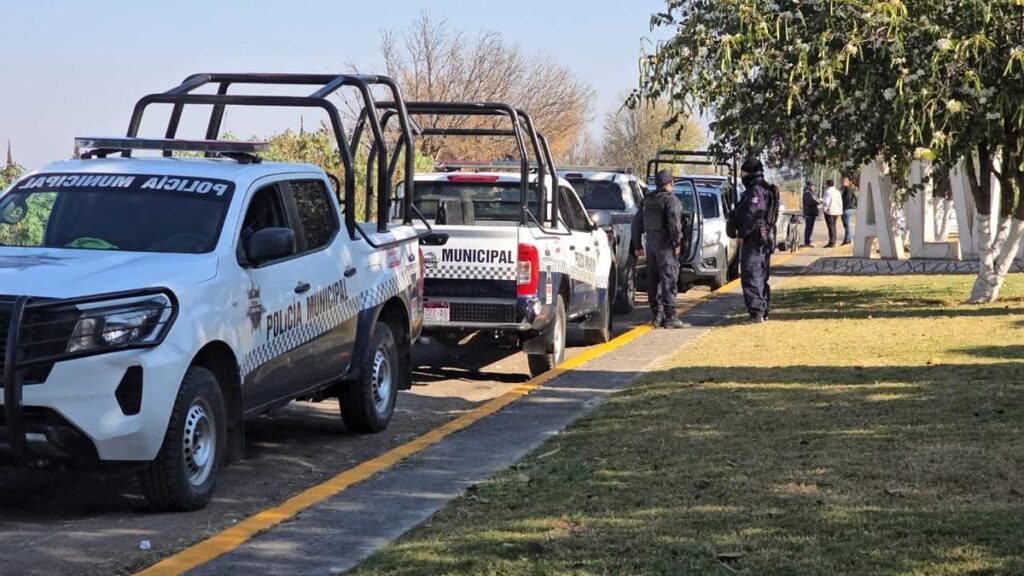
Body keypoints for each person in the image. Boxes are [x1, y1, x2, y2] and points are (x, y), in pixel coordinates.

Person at [632, 169, 685, 329]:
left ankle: (656, 315)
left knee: (653, 281)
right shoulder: (671, 201)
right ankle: (670, 317)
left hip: (651, 246)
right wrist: (677, 243)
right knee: (669, 280)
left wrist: (637, 245)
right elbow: (675, 224)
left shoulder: (647, 200)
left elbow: (636, 223)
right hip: (666, 247)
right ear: (670, 183)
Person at [734, 157, 778, 323]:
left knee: (752, 274)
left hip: (755, 240)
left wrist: (742, 234)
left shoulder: (756, 191)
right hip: (761, 239)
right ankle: (761, 310)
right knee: (759, 275)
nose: (741, 176)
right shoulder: (763, 188)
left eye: (743, 172)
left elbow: (753, 215)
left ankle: (757, 312)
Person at [820, 179, 843, 248]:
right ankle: (833, 241)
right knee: (834, 227)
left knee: (831, 228)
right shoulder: (837, 192)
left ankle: (831, 243)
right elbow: (840, 202)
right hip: (837, 211)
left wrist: (821, 200)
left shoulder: (828, 192)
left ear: (827, 185)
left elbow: (826, 202)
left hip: (830, 212)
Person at [801, 180, 819, 246]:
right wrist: (818, 202)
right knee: (809, 228)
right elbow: (812, 201)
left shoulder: (810, 192)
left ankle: (808, 240)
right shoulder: (807, 193)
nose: (813, 187)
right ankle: (807, 241)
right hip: (809, 212)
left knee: (810, 228)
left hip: (811, 212)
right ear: (808, 186)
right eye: (812, 185)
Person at [840, 176, 857, 245]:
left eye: (844, 181)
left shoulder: (848, 190)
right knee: (846, 225)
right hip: (848, 208)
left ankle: (847, 240)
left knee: (847, 224)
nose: (842, 182)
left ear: (848, 182)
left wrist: (843, 206)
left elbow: (847, 199)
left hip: (847, 208)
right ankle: (848, 238)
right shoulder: (847, 189)